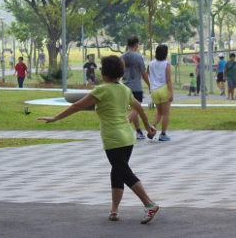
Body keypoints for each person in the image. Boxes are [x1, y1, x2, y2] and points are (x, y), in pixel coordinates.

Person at [38, 55, 159, 224]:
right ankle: (114, 210)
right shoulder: (124, 89)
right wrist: (147, 126)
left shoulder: (101, 90)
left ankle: (149, 204)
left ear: (104, 74)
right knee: (117, 171)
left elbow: (77, 106)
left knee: (124, 172)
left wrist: (55, 118)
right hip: (127, 137)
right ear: (120, 73)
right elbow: (139, 107)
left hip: (114, 138)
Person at [120, 36, 151, 140]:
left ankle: (138, 131)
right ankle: (123, 127)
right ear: (136, 44)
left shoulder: (122, 57)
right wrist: (150, 86)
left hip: (125, 86)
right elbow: (143, 73)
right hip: (136, 87)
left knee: (134, 109)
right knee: (136, 109)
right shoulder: (138, 57)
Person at [149, 45, 173, 142]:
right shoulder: (166, 64)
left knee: (159, 112)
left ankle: (152, 127)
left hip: (154, 90)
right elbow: (168, 79)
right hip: (163, 89)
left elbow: (150, 76)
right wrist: (171, 92)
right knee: (166, 114)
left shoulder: (151, 64)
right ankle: (163, 134)